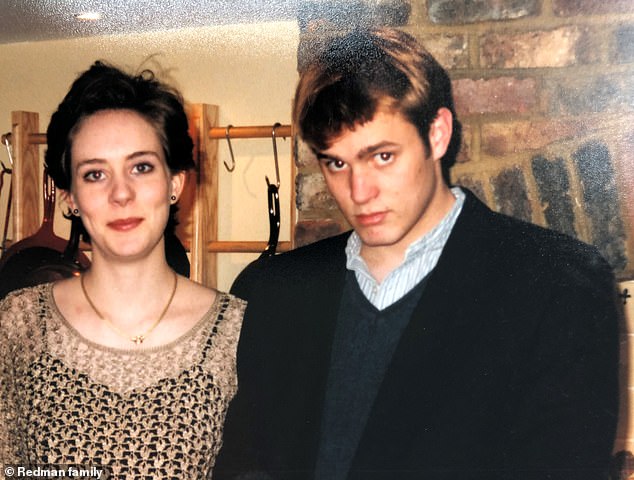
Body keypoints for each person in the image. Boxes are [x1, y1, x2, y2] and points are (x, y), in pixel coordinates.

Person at [214, 27, 619, 480]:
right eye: (336, 163)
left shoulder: (557, 286)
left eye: (382, 156)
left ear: (438, 134)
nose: (358, 192)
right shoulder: (273, 292)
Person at [0, 61, 245, 479]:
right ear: (70, 198)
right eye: (95, 174)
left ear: (175, 184)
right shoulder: (18, 324)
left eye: (141, 167)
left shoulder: (236, 334)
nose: (120, 193)